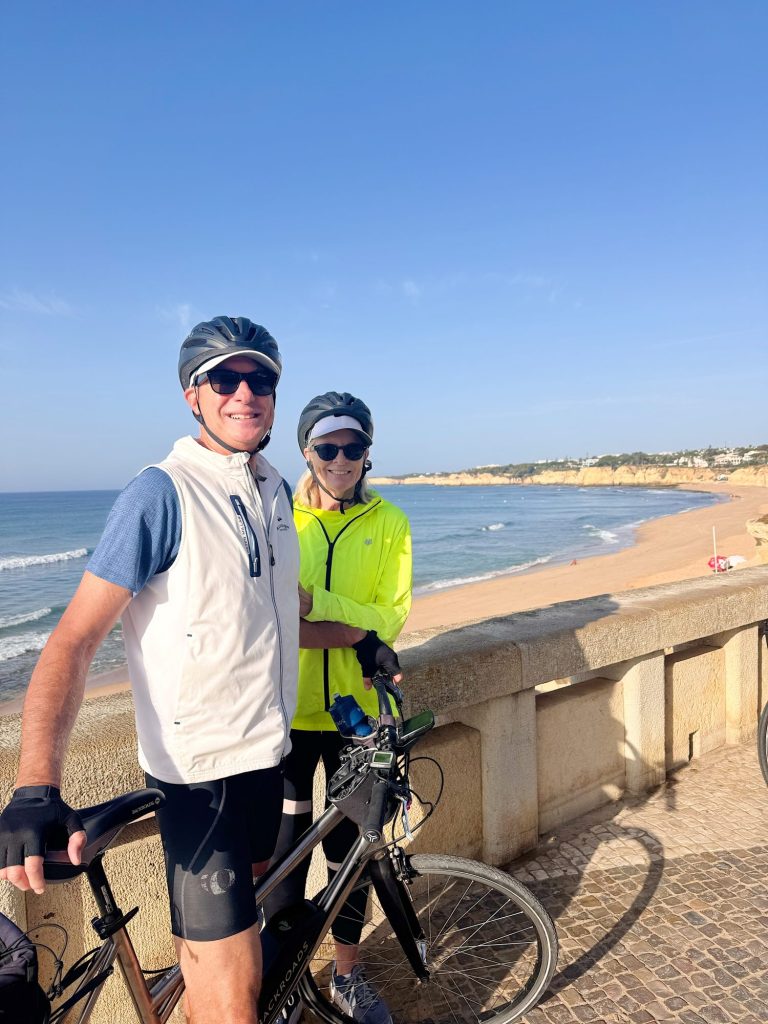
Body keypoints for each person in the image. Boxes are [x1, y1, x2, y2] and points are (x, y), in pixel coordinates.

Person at [0, 319, 390, 1024]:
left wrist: (360, 636)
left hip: (265, 767)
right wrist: (35, 783)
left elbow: (276, 624)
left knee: (244, 964)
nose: (245, 393)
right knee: (235, 997)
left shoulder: (274, 494)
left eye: (261, 379)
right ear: (193, 395)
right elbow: (74, 639)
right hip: (199, 783)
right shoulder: (161, 494)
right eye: (225, 379)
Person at [266, 392, 412, 1024]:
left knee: (351, 851)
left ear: (367, 452)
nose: (341, 459)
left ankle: (347, 974)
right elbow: (267, 615)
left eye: (353, 447)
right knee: (285, 854)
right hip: (284, 715)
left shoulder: (391, 523)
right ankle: (288, 983)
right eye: (327, 447)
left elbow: (392, 615)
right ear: (307, 451)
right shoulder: (278, 516)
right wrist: (352, 631)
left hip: (356, 718)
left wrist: (318, 604)